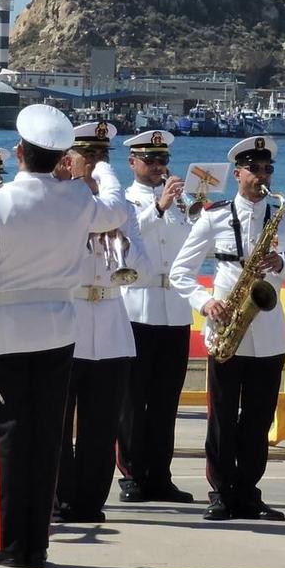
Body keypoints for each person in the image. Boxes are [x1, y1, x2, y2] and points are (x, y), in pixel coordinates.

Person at [0, 104, 126, 568]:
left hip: (7, 331)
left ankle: (10, 541)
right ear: (61, 159)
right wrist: (102, 168)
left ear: (17, 153)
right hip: (58, 327)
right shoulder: (76, 199)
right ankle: (37, 542)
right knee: (47, 438)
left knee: (9, 440)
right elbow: (117, 210)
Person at [171, 134, 285, 522]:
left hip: (268, 330)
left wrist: (282, 264)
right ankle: (222, 492)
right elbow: (180, 272)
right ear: (238, 173)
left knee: (259, 417)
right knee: (223, 416)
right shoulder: (214, 217)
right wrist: (206, 302)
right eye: (254, 170)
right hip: (226, 326)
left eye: (267, 169)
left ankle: (249, 491)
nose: (262, 176)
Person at [56, 122, 147, 523]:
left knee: (100, 424)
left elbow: (142, 268)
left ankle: (91, 501)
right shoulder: (60, 204)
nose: (93, 165)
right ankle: (60, 496)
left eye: (100, 157)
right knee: (58, 423)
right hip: (68, 320)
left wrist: (121, 236)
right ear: (68, 160)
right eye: (86, 156)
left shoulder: (123, 209)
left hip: (110, 324)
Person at [116, 128, 195, 505]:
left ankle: (160, 474)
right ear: (132, 162)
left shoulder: (183, 202)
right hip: (138, 303)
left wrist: (192, 208)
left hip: (174, 308)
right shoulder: (125, 200)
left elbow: (196, 246)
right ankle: (131, 473)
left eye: (163, 160)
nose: (158, 167)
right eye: (150, 160)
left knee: (166, 400)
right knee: (133, 399)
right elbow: (125, 239)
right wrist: (159, 207)